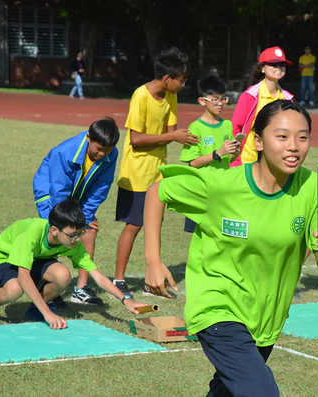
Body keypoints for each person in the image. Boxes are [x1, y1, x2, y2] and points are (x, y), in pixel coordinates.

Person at [143, 100, 318, 396]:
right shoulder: (222, 184)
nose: (293, 146)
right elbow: (157, 192)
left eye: (302, 137)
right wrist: (152, 260)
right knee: (261, 392)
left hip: (265, 316)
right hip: (217, 307)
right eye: (282, 136)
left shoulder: (313, 188)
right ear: (258, 141)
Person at [0, 198, 146, 328]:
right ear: (54, 231)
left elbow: (98, 276)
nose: (77, 239)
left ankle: (36, 309)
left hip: (34, 257)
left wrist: (126, 300)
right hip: (3, 255)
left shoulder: (72, 243)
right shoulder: (32, 234)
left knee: (63, 275)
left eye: (80, 233)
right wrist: (48, 313)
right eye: (72, 234)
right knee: (14, 290)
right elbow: (24, 277)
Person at [113, 47, 199, 298]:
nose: (184, 84)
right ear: (166, 78)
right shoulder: (140, 96)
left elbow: (170, 133)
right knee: (134, 225)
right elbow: (137, 139)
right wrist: (172, 136)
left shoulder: (170, 95)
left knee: (153, 226)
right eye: (181, 79)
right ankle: (118, 280)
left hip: (158, 172)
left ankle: (152, 279)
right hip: (137, 171)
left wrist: (178, 137)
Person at [33, 117, 120, 306]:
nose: (102, 154)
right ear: (89, 138)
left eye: (107, 150)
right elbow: (59, 191)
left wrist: (85, 218)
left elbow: (101, 187)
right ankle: (47, 289)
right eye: (98, 149)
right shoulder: (64, 152)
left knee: (89, 230)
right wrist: (70, 221)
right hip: (50, 192)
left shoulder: (110, 154)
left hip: (77, 195)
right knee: (55, 234)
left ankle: (80, 290)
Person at [179, 75, 240, 233]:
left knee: (220, 231)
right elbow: (193, 162)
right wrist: (217, 153)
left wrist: (234, 152)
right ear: (202, 101)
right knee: (198, 232)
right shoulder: (196, 127)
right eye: (215, 99)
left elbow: (228, 158)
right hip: (202, 189)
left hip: (223, 187)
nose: (220, 104)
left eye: (223, 99)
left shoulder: (227, 125)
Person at [231, 46, 294, 167]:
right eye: (273, 64)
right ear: (262, 68)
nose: (278, 68)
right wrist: (235, 159)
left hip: (274, 162)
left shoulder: (287, 99)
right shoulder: (250, 96)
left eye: (282, 64)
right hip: (247, 161)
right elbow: (235, 128)